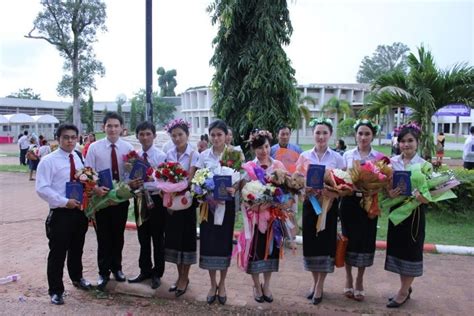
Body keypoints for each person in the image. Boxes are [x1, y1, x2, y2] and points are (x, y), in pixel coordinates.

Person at [36, 124, 91, 305]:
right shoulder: (48, 161)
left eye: (73, 137)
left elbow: (84, 180)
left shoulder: (78, 156)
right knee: (58, 253)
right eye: (65, 137)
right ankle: (56, 290)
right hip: (61, 213)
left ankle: (77, 278)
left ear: (77, 139)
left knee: (77, 248)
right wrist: (63, 201)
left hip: (79, 212)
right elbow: (42, 188)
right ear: (58, 138)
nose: (69, 141)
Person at [85, 112, 137, 290]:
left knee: (118, 236)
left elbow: (132, 174)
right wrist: (95, 188)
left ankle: (117, 268)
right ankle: (103, 272)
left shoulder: (128, 147)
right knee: (103, 236)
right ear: (103, 127)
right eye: (109, 126)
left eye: (116, 126)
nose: (113, 129)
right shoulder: (94, 148)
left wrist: (129, 182)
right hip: (102, 199)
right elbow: (88, 171)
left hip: (121, 199)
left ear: (122, 128)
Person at [295, 118, 345, 305]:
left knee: (325, 245)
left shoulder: (337, 158)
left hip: (328, 208)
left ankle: (320, 286)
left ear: (330, 135)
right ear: (313, 134)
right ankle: (314, 281)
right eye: (318, 132)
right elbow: (297, 181)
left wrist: (331, 191)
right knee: (311, 245)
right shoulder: (304, 156)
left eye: (325, 133)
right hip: (311, 205)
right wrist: (303, 188)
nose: (321, 136)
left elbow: (344, 185)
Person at [385, 123, 429, 308]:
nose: (406, 144)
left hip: (415, 216)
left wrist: (423, 197)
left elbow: (432, 195)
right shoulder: (391, 163)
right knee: (398, 250)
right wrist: (389, 192)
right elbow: (384, 189)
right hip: (396, 214)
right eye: (402, 141)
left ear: (417, 142)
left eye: (410, 140)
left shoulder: (424, 165)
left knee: (411, 251)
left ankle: (403, 292)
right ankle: (405, 287)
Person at [243, 129, 289, 304]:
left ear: (271, 146)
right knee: (255, 251)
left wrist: (275, 203)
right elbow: (245, 193)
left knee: (271, 251)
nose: (263, 150)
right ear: (254, 149)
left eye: (266, 146)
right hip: (254, 218)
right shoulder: (249, 167)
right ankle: (256, 285)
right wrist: (253, 205)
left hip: (273, 217)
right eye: (259, 147)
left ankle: (267, 285)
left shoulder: (278, 166)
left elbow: (285, 192)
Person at [340, 119, 381, 301]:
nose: (363, 137)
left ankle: (359, 280)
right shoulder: (347, 155)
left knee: (365, 241)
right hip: (349, 203)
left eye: (367, 134)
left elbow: (383, 182)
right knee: (348, 240)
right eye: (360, 133)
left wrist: (372, 187)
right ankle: (348, 277)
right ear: (355, 135)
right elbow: (340, 177)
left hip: (368, 205)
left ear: (373, 136)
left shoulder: (379, 158)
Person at [196, 119, 236, 305]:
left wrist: (234, 188)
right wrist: (203, 191)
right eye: (213, 134)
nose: (216, 138)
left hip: (227, 207)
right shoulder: (203, 155)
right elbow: (197, 179)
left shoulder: (235, 154)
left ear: (226, 135)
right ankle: (213, 284)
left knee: (224, 244)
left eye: (219, 134)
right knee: (210, 245)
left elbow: (241, 178)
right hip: (208, 209)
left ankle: (223, 284)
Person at [127, 122, 167, 289]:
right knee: (143, 237)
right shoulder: (133, 156)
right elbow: (127, 178)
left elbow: (166, 182)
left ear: (154, 136)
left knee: (157, 238)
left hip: (156, 200)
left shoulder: (161, 156)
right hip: (139, 199)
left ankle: (157, 273)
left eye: (148, 134)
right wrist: (132, 183)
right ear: (137, 136)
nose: (145, 137)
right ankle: (144, 270)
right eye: (141, 134)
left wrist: (152, 181)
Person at [163, 118, 199, 297]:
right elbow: (164, 176)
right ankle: (179, 276)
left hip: (186, 203)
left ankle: (185, 277)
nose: (177, 138)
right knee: (175, 241)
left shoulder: (194, 154)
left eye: (180, 135)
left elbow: (189, 179)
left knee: (187, 241)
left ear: (187, 135)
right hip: (171, 204)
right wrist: (167, 193)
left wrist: (175, 188)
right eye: (174, 135)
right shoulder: (168, 153)